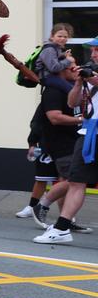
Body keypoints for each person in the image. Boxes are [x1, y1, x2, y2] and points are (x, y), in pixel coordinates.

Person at [34, 44, 98, 245]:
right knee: (76, 181)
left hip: (88, 133)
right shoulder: (88, 75)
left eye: (97, 50)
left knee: (75, 181)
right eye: (93, 50)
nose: (93, 54)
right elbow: (73, 103)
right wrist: (80, 83)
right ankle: (62, 228)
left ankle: (54, 218)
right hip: (89, 133)